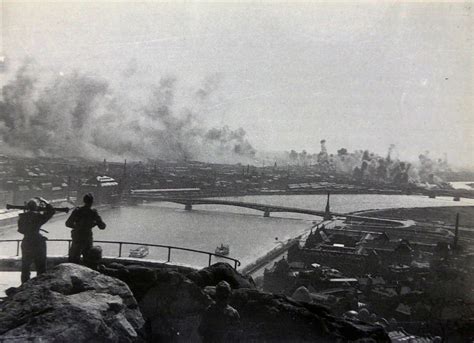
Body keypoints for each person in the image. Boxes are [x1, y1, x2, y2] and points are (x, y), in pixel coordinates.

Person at [18, 197, 55, 283]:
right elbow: (51, 211)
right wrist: (44, 200)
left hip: (26, 241)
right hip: (38, 242)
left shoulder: (22, 217)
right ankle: (39, 285)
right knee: (41, 266)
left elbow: (20, 230)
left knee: (26, 266)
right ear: (36, 207)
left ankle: (24, 285)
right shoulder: (38, 217)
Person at [66, 193, 106, 265]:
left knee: (73, 261)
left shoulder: (77, 211)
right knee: (88, 261)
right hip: (87, 238)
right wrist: (94, 224)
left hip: (77, 238)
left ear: (84, 201)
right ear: (92, 202)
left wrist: (78, 227)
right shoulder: (93, 212)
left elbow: (68, 223)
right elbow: (102, 226)